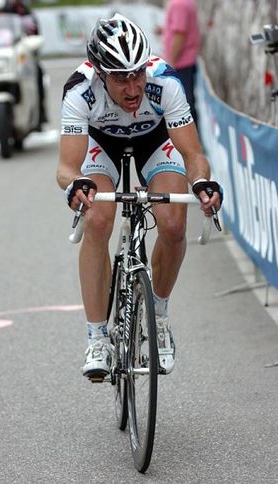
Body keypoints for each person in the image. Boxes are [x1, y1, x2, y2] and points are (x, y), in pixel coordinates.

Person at [57, 13, 222, 380]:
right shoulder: (79, 90)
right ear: (100, 73)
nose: (132, 88)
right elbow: (67, 167)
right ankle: (97, 335)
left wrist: (201, 184)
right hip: (102, 144)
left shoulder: (165, 82)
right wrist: (77, 186)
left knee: (174, 222)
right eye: (119, 77)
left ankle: (158, 316)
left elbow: (193, 156)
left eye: (137, 74)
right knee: (98, 218)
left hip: (154, 140)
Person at [157, 0, 200, 124]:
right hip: (186, 61)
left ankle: (189, 138)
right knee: (187, 101)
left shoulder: (178, 4)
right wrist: (164, 30)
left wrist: (171, 62)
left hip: (181, 63)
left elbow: (180, 34)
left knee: (183, 105)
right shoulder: (185, 2)